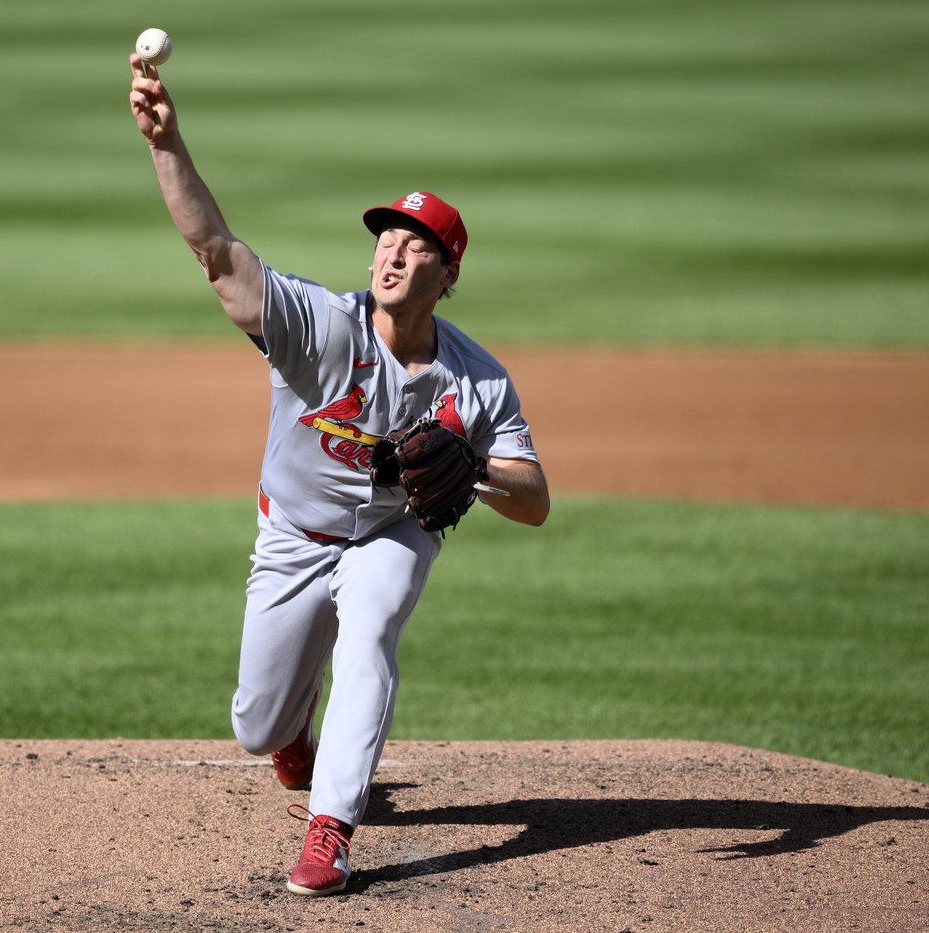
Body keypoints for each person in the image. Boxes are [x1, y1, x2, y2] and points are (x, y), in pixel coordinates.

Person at [129, 52, 550, 897]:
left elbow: (534, 499)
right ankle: (293, 735)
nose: (392, 253)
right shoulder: (321, 328)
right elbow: (216, 254)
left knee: (371, 635)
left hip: (394, 532)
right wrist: (168, 143)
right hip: (293, 530)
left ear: (449, 274)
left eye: (416, 245)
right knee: (254, 724)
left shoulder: (478, 377)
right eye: (386, 240)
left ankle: (332, 831)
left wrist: (475, 470)